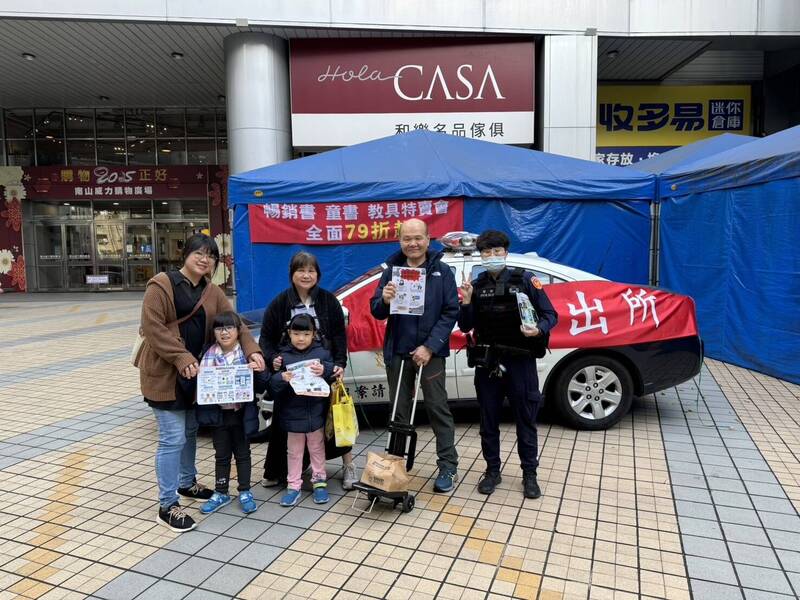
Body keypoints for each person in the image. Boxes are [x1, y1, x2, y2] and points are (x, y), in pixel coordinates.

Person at [138, 233, 265, 533]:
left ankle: (186, 483)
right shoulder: (161, 284)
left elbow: (235, 323)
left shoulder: (212, 291)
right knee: (172, 438)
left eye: (211, 255)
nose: (204, 259)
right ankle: (167, 505)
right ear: (185, 254)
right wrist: (181, 357)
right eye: (199, 252)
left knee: (190, 431)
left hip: (197, 377)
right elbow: (152, 328)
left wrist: (253, 351)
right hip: (165, 375)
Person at [458, 230, 558, 499]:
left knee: (526, 419)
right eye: (486, 252)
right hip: (488, 363)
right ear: (481, 256)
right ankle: (492, 471)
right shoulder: (476, 286)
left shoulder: (525, 280)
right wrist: (466, 301)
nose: (491, 256)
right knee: (488, 420)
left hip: (520, 361)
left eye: (496, 251)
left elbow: (550, 314)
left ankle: (530, 474)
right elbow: (465, 326)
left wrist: (538, 329)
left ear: (505, 252)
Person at [370, 218, 460, 493]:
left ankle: (448, 465)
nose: (413, 243)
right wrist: (384, 300)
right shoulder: (391, 271)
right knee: (398, 411)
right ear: (400, 241)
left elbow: (450, 312)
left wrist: (429, 346)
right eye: (407, 238)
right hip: (398, 351)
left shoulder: (442, 271)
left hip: (431, 354)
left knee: (437, 408)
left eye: (418, 238)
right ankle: (395, 466)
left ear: (428, 239)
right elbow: (376, 310)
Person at [259, 252, 357, 490]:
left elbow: (339, 336)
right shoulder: (280, 303)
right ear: (292, 274)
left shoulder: (328, 301)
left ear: (318, 275)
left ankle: (349, 466)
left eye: (311, 271)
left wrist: (339, 364)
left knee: (335, 417)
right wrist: (273, 360)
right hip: (292, 375)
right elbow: (267, 339)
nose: (306, 275)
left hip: (323, 370)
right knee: (287, 420)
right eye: (301, 270)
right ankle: (280, 470)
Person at [196, 311, 269, 515]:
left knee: (243, 454)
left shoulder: (246, 354)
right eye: (219, 328)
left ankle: (245, 491)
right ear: (214, 332)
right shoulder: (208, 354)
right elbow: (201, 386)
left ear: (238, 331)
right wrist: (198, 377)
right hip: (218, 414)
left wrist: (259, 371)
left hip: (241, 414)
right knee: (221, 455)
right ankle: (221, 491)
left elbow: (262, 385)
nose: (224, 332)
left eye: (229, 328)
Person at [269, 314, 336, 507]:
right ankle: (293, 486)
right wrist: (280, 376)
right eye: (296, 333)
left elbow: (333, 374)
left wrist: (326, 370)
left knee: (317, 448)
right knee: (294, 452)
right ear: (289, 333)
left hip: (316, 412)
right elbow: (272, 386)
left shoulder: (322, 353)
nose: (301, 338)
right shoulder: (282, 357)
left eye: (306, 334)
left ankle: (319, 482)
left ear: (314, 334)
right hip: (292, 413)